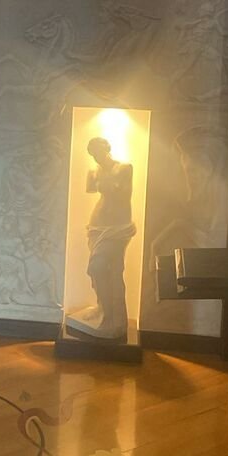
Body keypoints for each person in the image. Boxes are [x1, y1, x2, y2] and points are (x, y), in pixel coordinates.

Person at [84, 137, 136, 340]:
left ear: (107, 149)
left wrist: (106, 181)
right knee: (100, 272)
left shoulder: (124, 168)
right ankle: (102, 308)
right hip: (96, 228)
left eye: (99, 152)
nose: (96, 157)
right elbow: (90, 189)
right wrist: (94, 177)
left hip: (117, 229)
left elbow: (123, 196)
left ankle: (114, 318)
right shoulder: (94, 171)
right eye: (93, 154)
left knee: (104, 269)